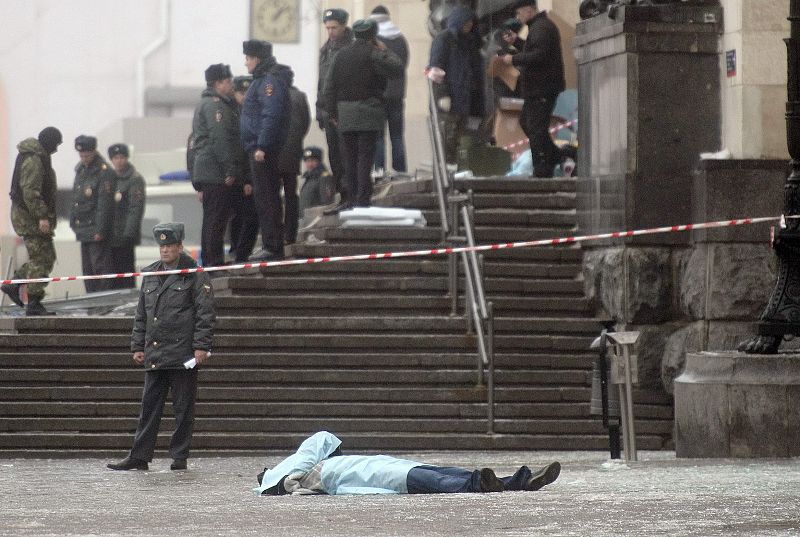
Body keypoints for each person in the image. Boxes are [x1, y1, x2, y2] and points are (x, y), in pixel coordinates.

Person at [107, 223, 215, 472]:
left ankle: (179, 456)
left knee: (183, 408)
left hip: (182, 353)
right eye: (162, 246)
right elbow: (141, 314)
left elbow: (205, 313)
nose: (165, 250)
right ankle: (139, 456)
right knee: (149, 407)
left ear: (179, 247)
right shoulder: (152, 274)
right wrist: (137, 345)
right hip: (155, 351)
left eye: (170, 246)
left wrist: (201, 346)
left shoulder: (194, 274)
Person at [255, 431, 561, 495]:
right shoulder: (298, 467)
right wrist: (286, 479)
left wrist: (289, 480)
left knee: (441, 475)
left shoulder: (301, 468)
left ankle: (515, 480)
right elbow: (322, 439)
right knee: (436, 478)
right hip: (372, 473)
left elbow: (321, 441)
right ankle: (502, 482)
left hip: (374, 469)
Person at [323, 18, 404, 213]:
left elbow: (328, 87)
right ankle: (362, 199)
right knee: (365, 158)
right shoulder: (374, 53)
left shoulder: (340, 55)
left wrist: (333, 112)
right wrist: (384, 50)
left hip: (345, 114)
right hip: (369, 113)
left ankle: (351, 198)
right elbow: (397, 69)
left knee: (349, 159)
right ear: (373, 36)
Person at [240, 39, 294, 261]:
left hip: (262, 150)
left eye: (248, 58)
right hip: (257, 147)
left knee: (268, 198)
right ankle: (270, 244)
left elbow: (271, 114)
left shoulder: (268, 82)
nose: (246, 63)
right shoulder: (261, 80)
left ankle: (273, 246)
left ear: (257, 58)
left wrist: (262, 145)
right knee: (264, 198)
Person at [500, 0, 565, 177]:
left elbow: (539, 56)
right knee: (528, 123)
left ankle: (542, 168)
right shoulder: (538, 27)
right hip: (537, 88)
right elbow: (534, 50)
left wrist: (513, 59)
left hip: (542, 88)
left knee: (536, 129)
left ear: (529, 10)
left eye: (519, 12)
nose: (518, 17)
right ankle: (556, 156)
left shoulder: (542, 28)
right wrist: (517, 42)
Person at [2, 127, 62, 316]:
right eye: (56, 145)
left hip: (29, 217)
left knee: (46, 256)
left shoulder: (38, 156)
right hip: (29, 218)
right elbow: (30, 192)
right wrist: (42, 216)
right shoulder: (34, 160)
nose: (56, 149)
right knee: (41, 258)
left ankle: (15, 284)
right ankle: (33, 302)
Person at [191, 63, 244, 268]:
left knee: (212, 219)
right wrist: (229, 168)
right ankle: (214, 262)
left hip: (210, 170)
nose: (231, 85)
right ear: (218, 83)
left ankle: (211, 261)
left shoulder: (207, 103)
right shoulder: (216, 106)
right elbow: (220, 139)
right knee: (216, 220)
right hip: (215, 171)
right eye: (228, 81)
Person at [427, 5, 485, 166]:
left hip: (465, 100)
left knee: (460, 141)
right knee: (447, 140)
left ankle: (455, 170)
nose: (469, 25)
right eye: (466, 22)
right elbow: (435, 69)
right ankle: (447, 171)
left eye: (471, 22)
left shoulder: (471, 43)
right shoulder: (444, 39)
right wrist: (442, 94)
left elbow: (476, 72)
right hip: (449, 100)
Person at [69, 135, 116, 293]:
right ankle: (90, 298)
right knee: (87, 269)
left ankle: (103, 299)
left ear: (94, 152)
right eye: (81, 155)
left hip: (95, 228)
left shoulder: (104, 172)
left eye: (87, 155)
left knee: (100, 266)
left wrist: (100, 229)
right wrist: (73, 221)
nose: (84, 159)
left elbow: (105, 203)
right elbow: (76, 197)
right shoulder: (81, 170)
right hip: (83, 228)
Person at [316, 8, 353, 200]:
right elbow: (321, 83)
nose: (330, 32)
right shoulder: (326, 50)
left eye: (334, 28)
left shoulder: (349, 48)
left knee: (346, 154)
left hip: (341, 110)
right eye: (328, 28)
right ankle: (341, 192)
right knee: (334, 156)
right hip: (327, 110)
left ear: (343, 26)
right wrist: (319, 109)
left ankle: (349, 192)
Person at [369, 5, 409, 177]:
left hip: (379, 95)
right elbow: (403, 64)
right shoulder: (400, 39)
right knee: (397, 136)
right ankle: (400, 170)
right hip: (397, 95)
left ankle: (379, 170)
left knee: (378, 137)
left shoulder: (373, 40)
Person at [229, 75, 259, 263]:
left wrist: (248, 178)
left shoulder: (253, 111)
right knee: (241, 216)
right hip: (237, 175)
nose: (244, 96)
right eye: (241, 93)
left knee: (249, 216)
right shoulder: (231, 112)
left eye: (247, 92)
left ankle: (242, 252)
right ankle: (238, 252)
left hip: (248, 174)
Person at [277, 76, 311, 245]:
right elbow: (306, 123)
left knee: (273, 195)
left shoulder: (273, 95)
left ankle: (276, 233)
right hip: (293, 152)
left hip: (274, 152)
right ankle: (290, 233)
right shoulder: (300, 96)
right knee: (291, 194)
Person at [107, 143, 146, 289]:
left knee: (125, 275)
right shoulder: (109, 178)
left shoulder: (134, 179)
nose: (119, 161)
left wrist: (128, 234)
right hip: (110, 236)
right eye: (116, 158)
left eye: (122, 157)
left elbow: (135, 208)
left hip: (124, 237)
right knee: (111, 276)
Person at [298, 146, 336, 213]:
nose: (310, 164)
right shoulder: (308, 179)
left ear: (319, 161)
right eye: (307, 161)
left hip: (316, 217)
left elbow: (327, 203)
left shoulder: (324, 178)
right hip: (305, 218)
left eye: (313, 161)